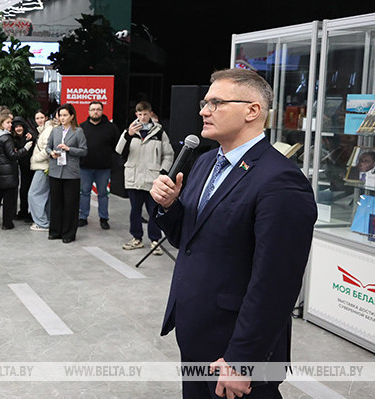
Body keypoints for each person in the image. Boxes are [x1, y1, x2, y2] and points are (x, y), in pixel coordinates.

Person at [150, 68, 317, 399]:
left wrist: (245, 360)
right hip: (196, 332)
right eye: (204, 102)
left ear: (252, 111)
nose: (203, 110)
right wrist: (170, 206)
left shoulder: (280, 181)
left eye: (216, 102)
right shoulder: (205, 162)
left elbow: (276, 284)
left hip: (235, 346)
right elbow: (189, 238)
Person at [116, 101, 173, 255]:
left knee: (153, 210)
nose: (142, 117)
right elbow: (118, 150)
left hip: (152, 177)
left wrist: (162, 172)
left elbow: (168, 154)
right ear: (136, 115)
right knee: (135, 210)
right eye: (140, 114)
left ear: (150, 114)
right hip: (133, 178)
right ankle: (136, 238)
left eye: (145, 114)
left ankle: (155, 240)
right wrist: (128, 134)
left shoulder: (160, 133)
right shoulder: (130, 131)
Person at [46, 104, 88, 243]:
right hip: (55, 170)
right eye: (60, 115)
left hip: (71, 172)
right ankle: (55, 231)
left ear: (71, 116)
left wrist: (69, 149)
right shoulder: (55, 130)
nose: (62, 118)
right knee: (56, 202)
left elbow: (83, 150)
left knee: (70, 204)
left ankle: (69, 233)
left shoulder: (78, 131)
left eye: (65, 115)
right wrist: (51, 153)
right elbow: (47, 146)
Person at [0, 112, 32, 230]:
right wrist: (25, 149)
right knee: (9, 200)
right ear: (2, 123)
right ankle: (7, 223)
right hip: (8, 173)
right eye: (8, 122)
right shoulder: (6, 138)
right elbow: (12, 155)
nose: (11, 125)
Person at [78, 101, 120, 229]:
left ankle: (103, 218)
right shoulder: (82, 127)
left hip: (104, 168)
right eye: (93, 109)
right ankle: (83, 217)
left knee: (102, 194)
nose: (95, 111)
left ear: (102, 111)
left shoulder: (111, 128)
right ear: (88, 111)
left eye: (98, 109)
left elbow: (117, 147)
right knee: (84, 193)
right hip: (85, 167)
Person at [27, 110, 54, 231]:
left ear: (46, 117)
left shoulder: (48, 130)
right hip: (44, 167)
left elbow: (47, 149)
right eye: (37, 118)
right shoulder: (43, 130)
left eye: (41, 117)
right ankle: (45, 220)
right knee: (44, 195)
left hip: (43, 167)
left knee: (34, 194)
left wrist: (35, 158)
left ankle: (42, 223)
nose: (39, 120)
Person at [11, 116, 35, 222]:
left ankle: (31, 214)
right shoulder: (14, 138)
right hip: (24, 169)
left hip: (33, 168)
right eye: (16, 127)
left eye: (20, 126)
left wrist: (32, 135)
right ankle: (23, 212)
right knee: (24, 191)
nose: (18, 128)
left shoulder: (29, 136)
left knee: (31, 192)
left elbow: (36, 136)